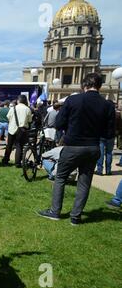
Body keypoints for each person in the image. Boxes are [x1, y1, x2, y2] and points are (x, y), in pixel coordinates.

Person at [38, 73, 115, 226]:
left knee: (60, 177)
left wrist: (71, 128)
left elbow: (59, 123)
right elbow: (109, 133)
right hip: (93, 147)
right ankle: (76, 216)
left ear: (83, 85)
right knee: (84, 182)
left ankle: (55, 211)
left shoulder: (73, 100)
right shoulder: (107, 105)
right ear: (99, 86)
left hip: (73, 145)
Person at [2, 95, 32, 168]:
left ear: (18, 101)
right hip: (22, 129)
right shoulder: (27, 109)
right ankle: (17, 163)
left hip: (12, 129)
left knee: (9, 145)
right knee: (19, 146)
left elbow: (8, 117)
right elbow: (29, 120)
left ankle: (5, 160)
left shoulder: (13, 108)